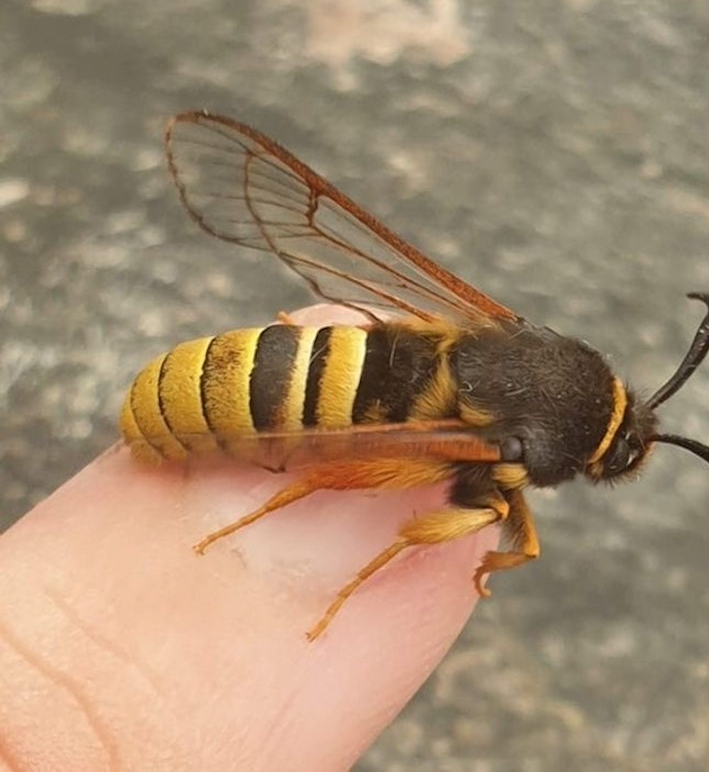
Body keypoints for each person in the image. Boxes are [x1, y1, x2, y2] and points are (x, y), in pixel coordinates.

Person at [0, 306, 497, 770]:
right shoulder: (495, 454)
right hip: (190, 409)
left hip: (226, 365)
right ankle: (256, 518)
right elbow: (381, 498)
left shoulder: (486, 335)